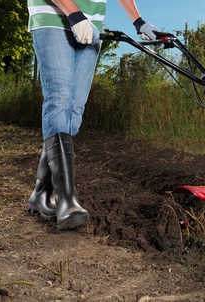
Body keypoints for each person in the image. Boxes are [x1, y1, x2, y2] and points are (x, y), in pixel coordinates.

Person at [26, 0, 160, 230]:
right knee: (59, 99)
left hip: (90, 24)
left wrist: (138, 21)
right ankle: (66, 200)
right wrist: (74, 13)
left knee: (74, 111)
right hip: (53, 18)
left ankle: (41, 192)